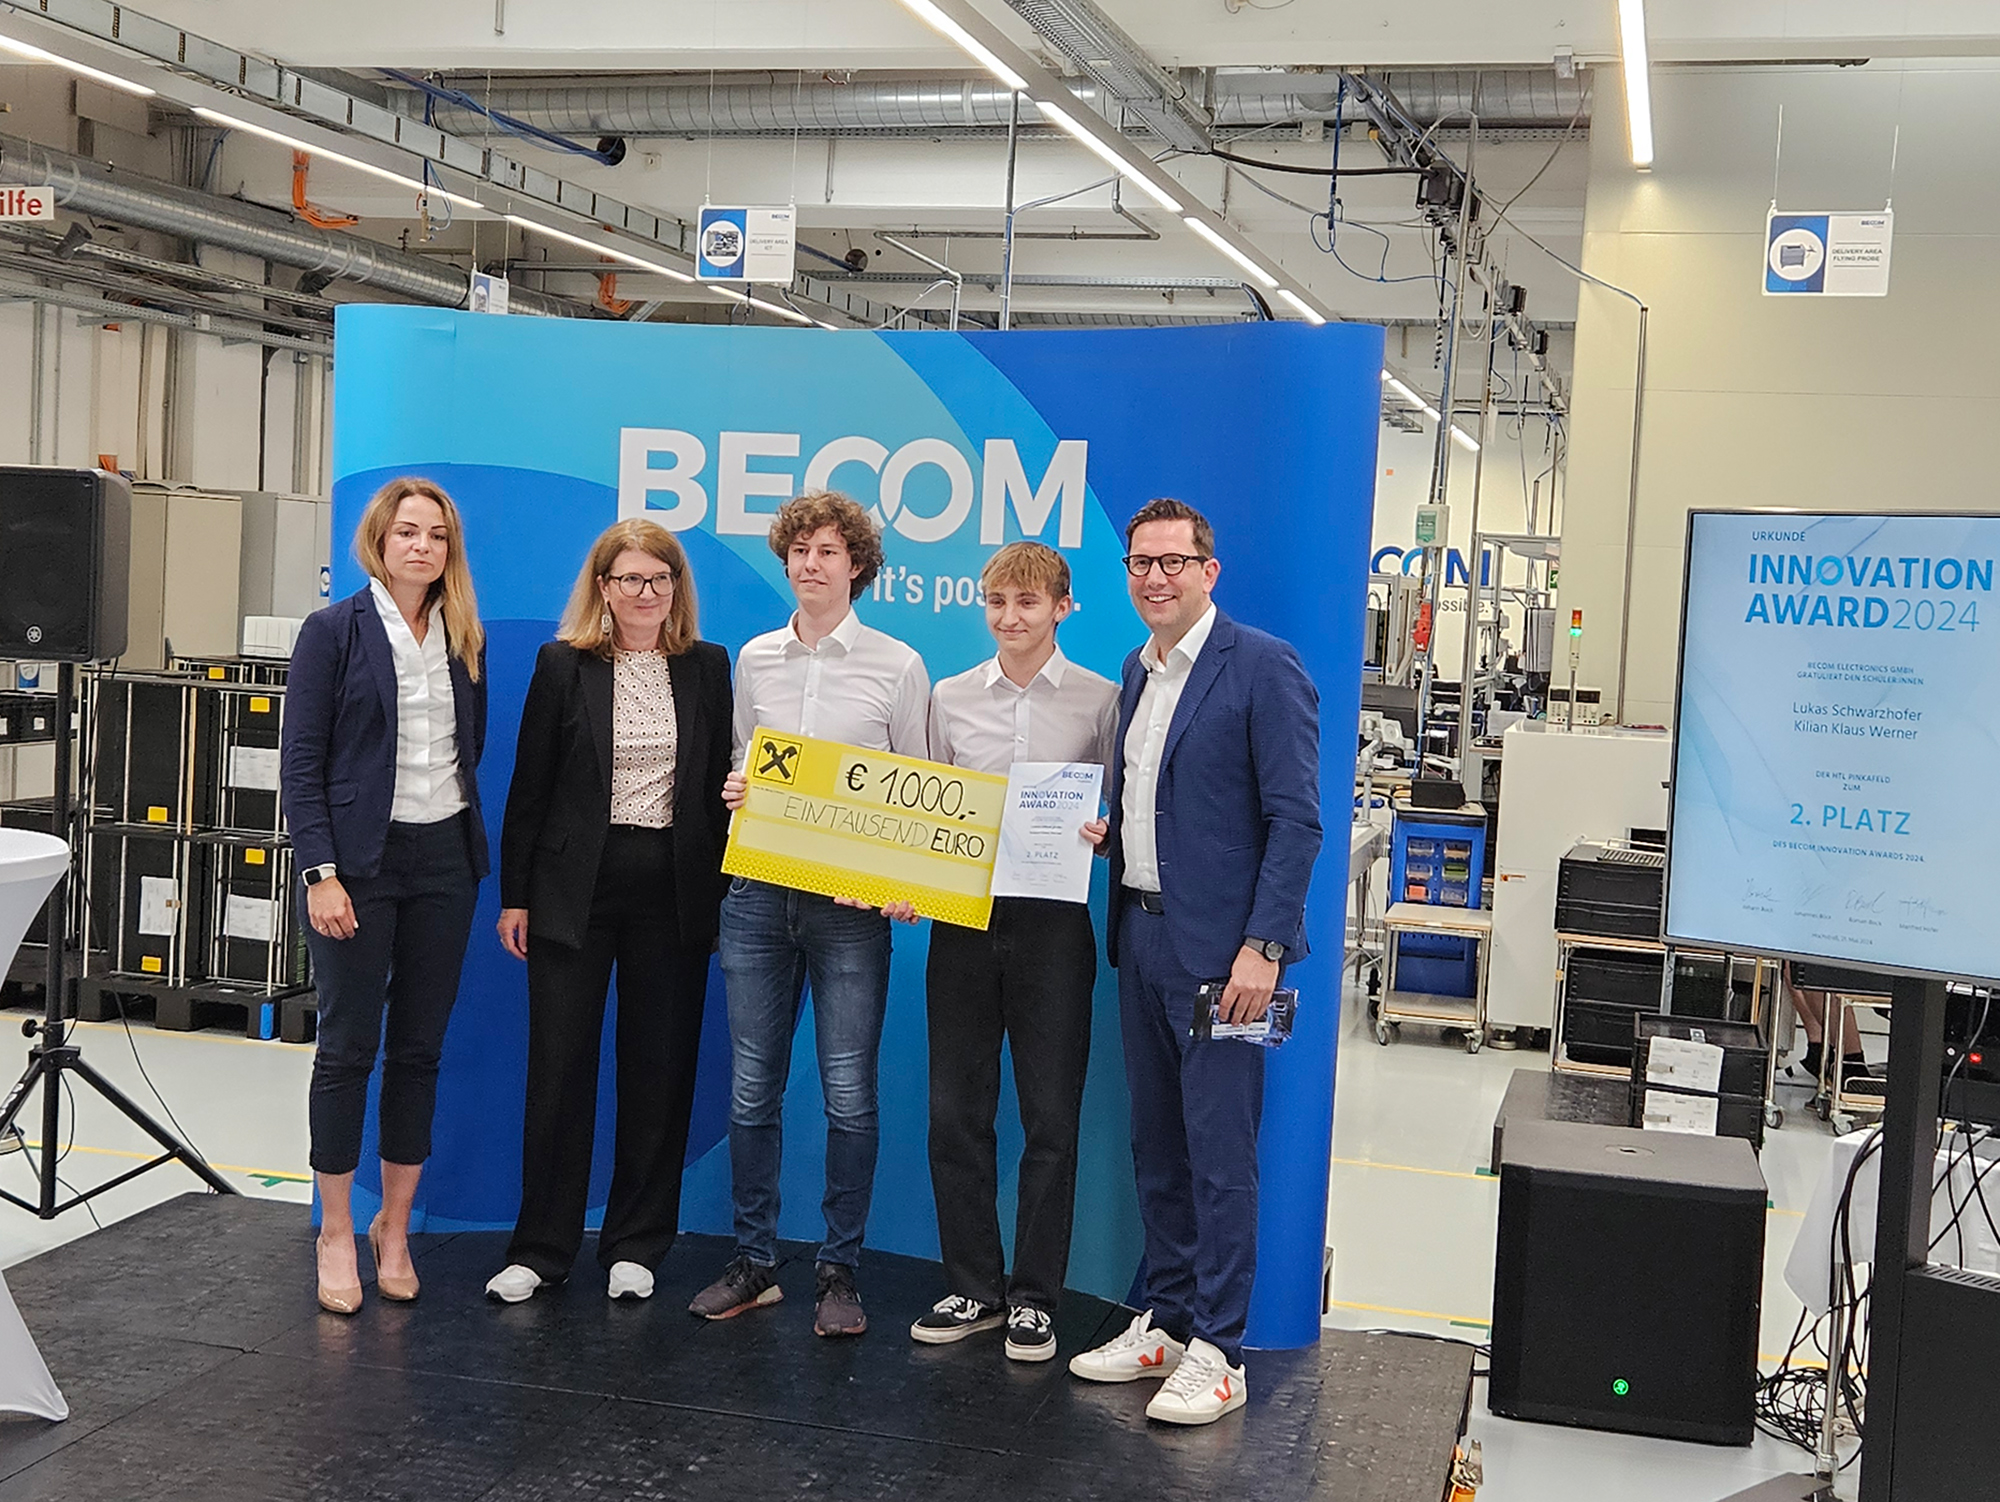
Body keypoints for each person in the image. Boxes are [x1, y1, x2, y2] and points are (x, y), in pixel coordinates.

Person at [1066, 497, 1321, 1425]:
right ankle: (1169, 1322)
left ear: (1209, 571)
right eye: (1141, 563)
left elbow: (1296, 821)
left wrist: (1264, 948)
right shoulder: (1137, 671)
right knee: (1158, 1145)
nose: (1155, 577)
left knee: (1220, 1156)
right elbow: (1166, 804)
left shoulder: (1262, 666)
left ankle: (1221, 1350)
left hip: (1225, 959)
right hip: (1140, 938)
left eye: (1173, 561)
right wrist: (1112, 836)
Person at [687, 491, 929, 1338]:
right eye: (799, 551)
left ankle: (839, 1270)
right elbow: (743, 760)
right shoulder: (756, 658)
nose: (811, 564)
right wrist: (738, 789)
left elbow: (918, 788)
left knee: (848, 1095)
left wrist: (902, 880)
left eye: (828, 551)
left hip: (850, 908)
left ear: (857, 565)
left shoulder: (898, 665)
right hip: (756, 895)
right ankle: (754, 1262)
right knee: (752, 1088)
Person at [484, 518, 733, 1304]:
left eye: (660, 578)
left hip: (674, 891)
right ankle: (541, 1248)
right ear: (603, 587)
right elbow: (529, 787)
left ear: (676, 588)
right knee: (559, 1069)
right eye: (630, 578)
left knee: (659, 1069)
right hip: (573, 892)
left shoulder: (708, 667)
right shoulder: (563, 665)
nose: (646, 592)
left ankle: (636, 1244)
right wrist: (516, 895)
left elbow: (716, 791)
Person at [281, 477, 489, 1316]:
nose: (422, 547)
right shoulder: (333, 631)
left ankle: (393, 1228)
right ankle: (336, 1231)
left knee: (419, 1051)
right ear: (380, 539)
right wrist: (321, 872)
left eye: (436, 535)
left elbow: (468, 749)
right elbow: (302, 764)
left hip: (445, 859)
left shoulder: (464, 635)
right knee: (346, 1049)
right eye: (408, 531)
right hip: (357, 865)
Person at [910, 542, 1118, 1364]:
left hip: (1053, 925)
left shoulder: (1102, 700)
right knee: (954, 1113)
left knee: (1050, 1118)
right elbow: (928, 809)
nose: (1009, 617)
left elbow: (1120, 812)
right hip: (962, 920)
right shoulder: (950, 696)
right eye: (997, 601)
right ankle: (973, 1285)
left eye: (1027, 602)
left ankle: (1034, 1298)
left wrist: (1103, 834)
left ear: (1062, 608)